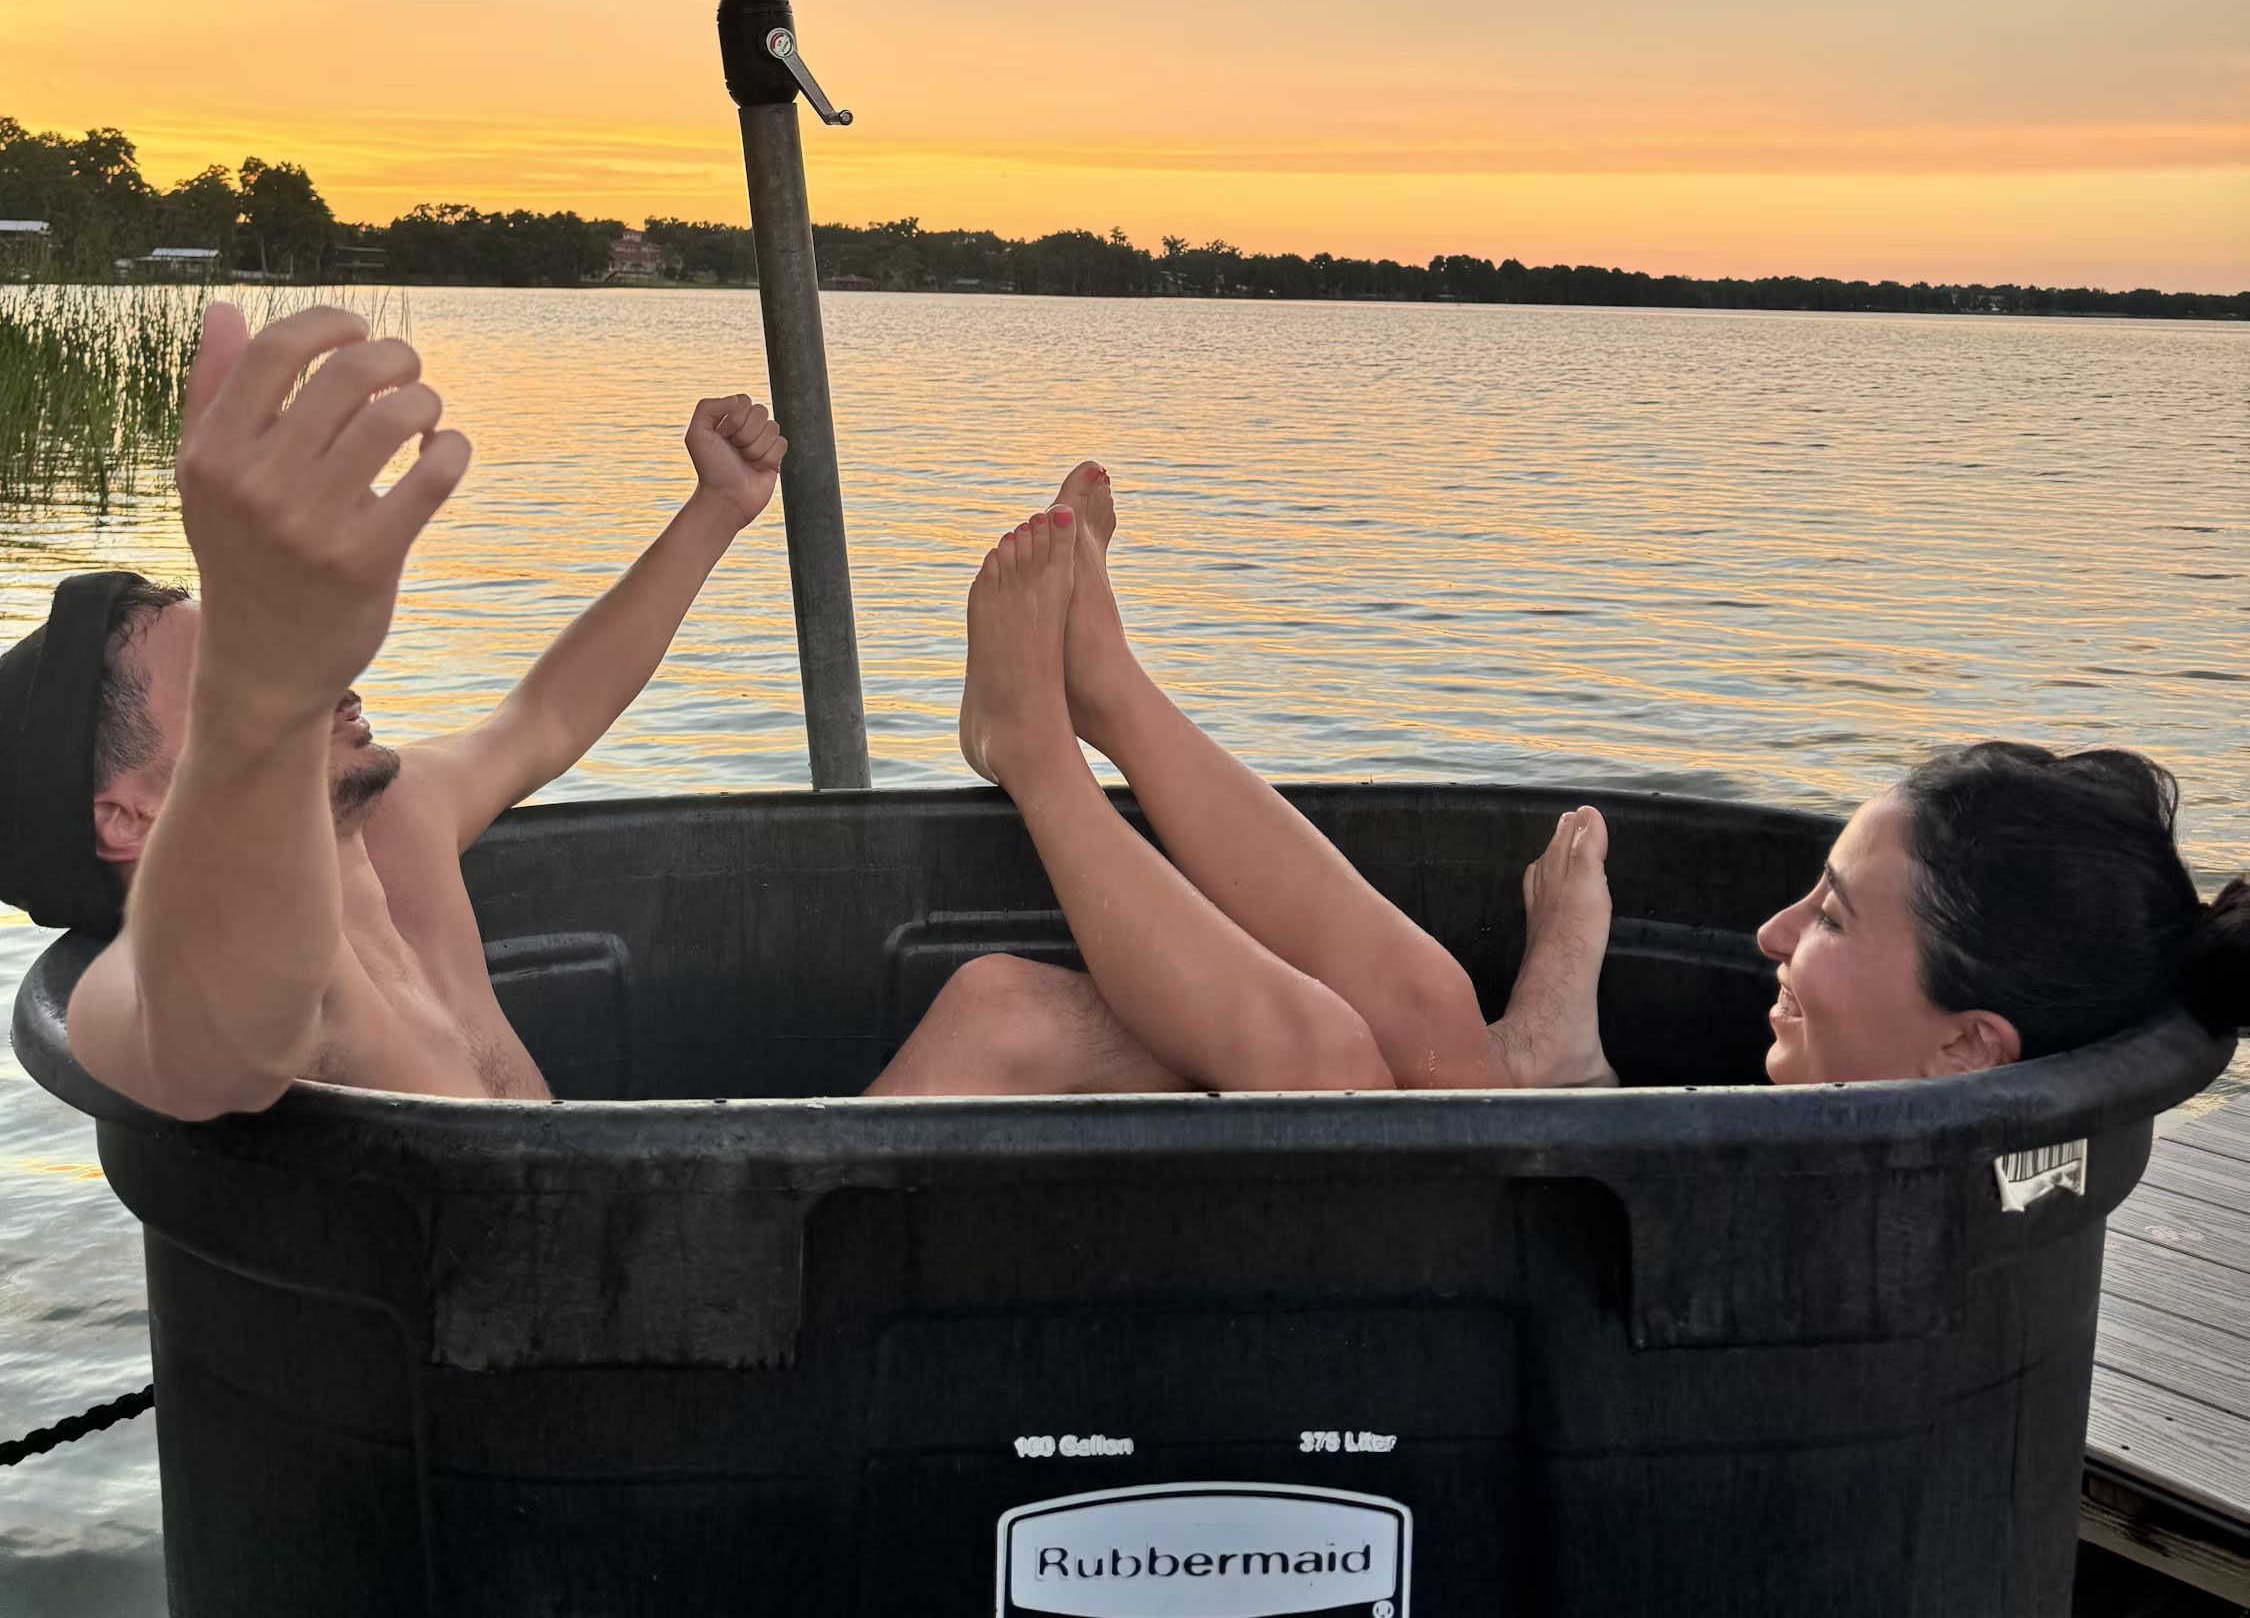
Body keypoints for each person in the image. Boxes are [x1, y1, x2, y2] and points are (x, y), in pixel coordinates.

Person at [871, 467, 2250, 1097]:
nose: (1766, 933)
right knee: (1408, 1010)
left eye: (1828, 917)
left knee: (1314, 1060)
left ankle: (1041, 751)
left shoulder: (1866, 1189)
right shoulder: (1866, 1110)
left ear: (1968, 1045)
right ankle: (1103, 699)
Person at [0, 302, 785, 1117]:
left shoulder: (398, 824)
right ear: (130, 818)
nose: (323, 675)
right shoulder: (214, 981)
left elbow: (546, 716)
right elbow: (216, 1021)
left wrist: (718, 507)